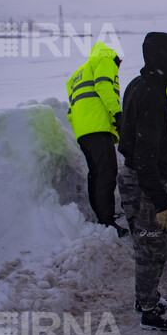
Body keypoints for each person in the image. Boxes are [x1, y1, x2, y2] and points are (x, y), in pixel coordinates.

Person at [117, 32, 167, 331]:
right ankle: (148, 311)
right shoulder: (151, 94)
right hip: (146, 182)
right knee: (151, 247)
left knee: (154, 245)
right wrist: (161, 203)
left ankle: (148, 297)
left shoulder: (146, 84)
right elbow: (144, 156)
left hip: (146, 178)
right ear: (164, 58)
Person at [65, 41, 128, 237]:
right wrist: (117, 115)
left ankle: (102, 217)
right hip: (97, 127)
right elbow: (104, 87)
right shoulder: (106, 60)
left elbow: (70, 110)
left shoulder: (78, 74)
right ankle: (107, 222)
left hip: (84, 132)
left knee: (96, 173)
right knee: (108, 173)